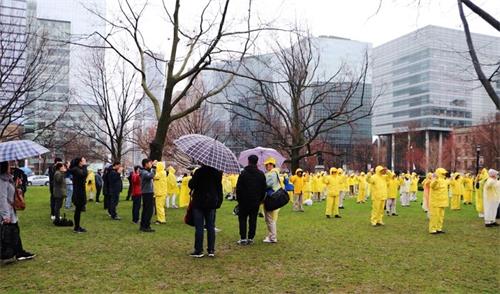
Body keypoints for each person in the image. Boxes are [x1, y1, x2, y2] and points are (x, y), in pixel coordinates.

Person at [0, 161, 36, 264]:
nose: (10, 166)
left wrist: (17, 186)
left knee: (14, 231)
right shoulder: (2, 181)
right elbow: (2, 199)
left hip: (10, 210)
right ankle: (10, 254)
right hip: (6, 211)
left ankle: (19, 252)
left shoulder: (8, 178)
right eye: (8, 165)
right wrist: (5, 215)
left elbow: (10, 194)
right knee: (8, 233)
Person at [188, 164, 223, 258]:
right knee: (211, 226)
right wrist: (219, 201)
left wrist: (192, 177)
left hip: (199, 202)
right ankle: (211, 249)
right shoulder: (216, 173)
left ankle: (199, 250)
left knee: (199, 227)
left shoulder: (199, 172)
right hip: (211, 202)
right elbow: (219, 188)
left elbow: (191, 185)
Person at [235, 155, 266, 245]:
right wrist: (260, 199)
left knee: (242, 219)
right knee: (253, 219)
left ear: (248, 161)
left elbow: (239, 188)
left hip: (244, 201)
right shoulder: (261, 174)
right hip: (255, 200)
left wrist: (239, 199)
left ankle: (243, 238)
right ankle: (251, 237)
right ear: (257, 162)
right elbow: (263, 188)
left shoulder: (243, 173)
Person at [263, 157, 281, 243]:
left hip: (271, 197)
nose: (266, 166)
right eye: (266, 165)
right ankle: (270, 235)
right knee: (269, 218)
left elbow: (269, 184)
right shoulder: (273, 172)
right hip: (272, 197)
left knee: (269, 218)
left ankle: (272, 237)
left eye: (267, 164)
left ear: (271, 165)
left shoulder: (272, 173)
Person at [69, 157, 88, 233]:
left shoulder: (78, 168)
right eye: (84, 160)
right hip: (78, 192)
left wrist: (84, 166)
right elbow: (84, 174)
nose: (85, 161)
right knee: (78, 210)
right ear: (80, 162)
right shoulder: (76, 169)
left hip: (80, 191)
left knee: (79, 210)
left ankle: (77, 226)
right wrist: (85, 166)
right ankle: (76, 227)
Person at [429, 168, 449, 234]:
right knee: (435, 216)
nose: (444, 174)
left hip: (443, 202)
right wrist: (436, 180)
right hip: (436, 202)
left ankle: (439, 228)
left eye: (444, 173)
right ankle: (433, 229)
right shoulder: (435, 179)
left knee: (441, 217)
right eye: (443, 173)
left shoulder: (444, 180)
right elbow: (432, 186)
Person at [140, 159, 156, 232]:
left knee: (146, 210)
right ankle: (146, 226)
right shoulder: (143, 172)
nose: (151, 164)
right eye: (150, 163)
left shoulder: (146, 171)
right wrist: (154, 168)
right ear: (146, 164)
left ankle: (144, 226)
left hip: (148, 192)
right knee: (148, 210)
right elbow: (151, 176)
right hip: (147, 193)